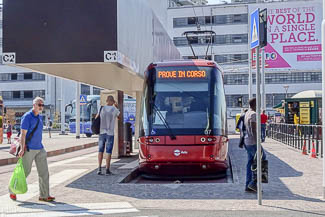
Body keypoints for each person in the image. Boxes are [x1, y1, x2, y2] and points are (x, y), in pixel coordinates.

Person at [9, 97, 55, 202]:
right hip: (29, 149)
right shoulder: (27, 117)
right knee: (25, 171)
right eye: (39, 105)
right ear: (33, 105)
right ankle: (12, 190)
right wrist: (22, 149)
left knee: (44, 173)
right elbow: (23, 134)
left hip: (40, 148)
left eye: (42, 105)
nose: (41, 107)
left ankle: (44, 195)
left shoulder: (39, 117)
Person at [244, 98, 266, 192]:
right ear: (255, 104)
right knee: (262, 160)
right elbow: (253, 129)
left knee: (250, 162)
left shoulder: (247, 113)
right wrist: (258, 141)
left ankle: (248, 185)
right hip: (253, 142)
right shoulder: (253, 114)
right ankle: (253, 183)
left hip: (247, 141)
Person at [96, 95, 120, 175]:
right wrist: (116, 106)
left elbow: (96, 117)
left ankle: (99, 168)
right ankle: (107, 169)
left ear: (106, 101)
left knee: (100, 150)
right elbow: (119, 117)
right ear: (113, 102)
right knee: (108, 151)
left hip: (101, 132)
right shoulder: (114, 109)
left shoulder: (101, 108)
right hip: (110, 133)